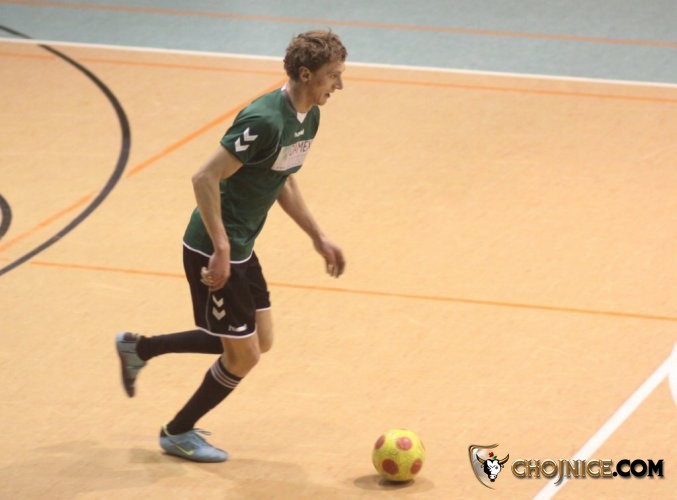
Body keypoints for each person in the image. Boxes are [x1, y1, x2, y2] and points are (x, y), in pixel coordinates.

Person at [115, 30, 347, 463]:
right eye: (333, 75)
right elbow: (204, 177)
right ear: (305, 73)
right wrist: (220, 247)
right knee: (243, 357)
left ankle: (140, 347)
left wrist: (318, 236)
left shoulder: (309, 117)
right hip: (212, 246)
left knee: (260, 339)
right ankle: (176, 432)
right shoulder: (264, 121)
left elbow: (282, 179)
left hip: (241, 244)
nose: (339, 85)